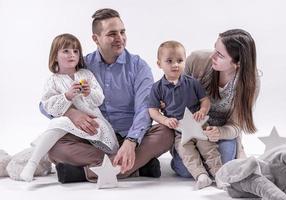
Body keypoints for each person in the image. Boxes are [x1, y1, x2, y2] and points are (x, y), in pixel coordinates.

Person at [41, 8, 174, 183]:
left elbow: (145, 108)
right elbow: (44, 105)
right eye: (112, 34)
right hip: (94, 139)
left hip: (132, 136)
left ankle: (82, 173)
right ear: (96, 39)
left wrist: (131, 141)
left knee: (166, 133)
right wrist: (71, 113)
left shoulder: (139, 67)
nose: (120, 38)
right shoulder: (82, 66)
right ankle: (135, 166)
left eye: (122, 32)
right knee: (54, 147)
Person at [20, 33, 119, 182]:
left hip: (93, 122)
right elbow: (49, 106)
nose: (72, 54)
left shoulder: (86, 74)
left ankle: (33, 162)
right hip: (68, 124)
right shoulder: (53, 81)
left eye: (75, 51)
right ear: (55, 56)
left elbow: (99, 99)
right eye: (66, 51)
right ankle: (32, 164)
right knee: (58, 122)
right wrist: (67, 96)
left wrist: (88, 92)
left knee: (58, 124)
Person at [171, 29, 260, 178]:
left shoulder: (250, 83)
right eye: (215, 49)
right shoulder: (197, 60)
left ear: (237, 63)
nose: (213, 55)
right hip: (190, 129)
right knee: (184, 170)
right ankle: (195, 162)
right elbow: (178, 98)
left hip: (220, 133)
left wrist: (219, 132)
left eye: (220, 55)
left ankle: (212, 163)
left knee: (225, 163)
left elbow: (236, 125)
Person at [148, 41, 222, 189]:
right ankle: (201, 176)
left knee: (209, 148)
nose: (175, 65)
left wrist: (202, 111)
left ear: (185, 61)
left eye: (180, 61)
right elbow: (153, 111)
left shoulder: (192, 82)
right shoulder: (157, 88)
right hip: (179, 130)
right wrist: (165, 120)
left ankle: (220, 175)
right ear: (159, 64)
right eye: (169, 61)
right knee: (186, 152)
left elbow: (205, 100)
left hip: (199, 125)